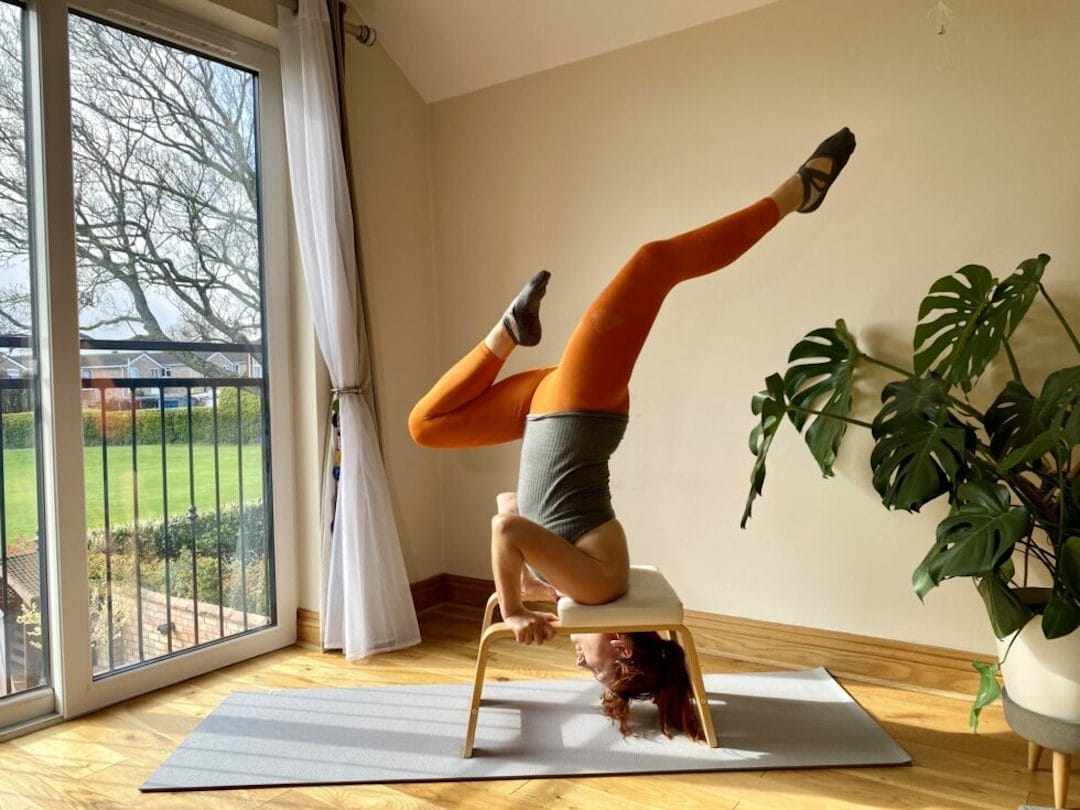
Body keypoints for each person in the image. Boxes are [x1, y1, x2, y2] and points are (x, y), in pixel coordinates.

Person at [409, 127, 856, 741]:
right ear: (619, 647)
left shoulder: (575, 588)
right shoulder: (599, 588)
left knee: (426, 428)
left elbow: (510, 505)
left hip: (540, 411)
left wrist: (531, 586)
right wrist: (512, 610)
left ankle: (510, 329)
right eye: (598, 670)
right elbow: (507, 528)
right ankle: (796, 194)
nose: (579, 663)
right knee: (654, 263)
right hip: (578, 406)